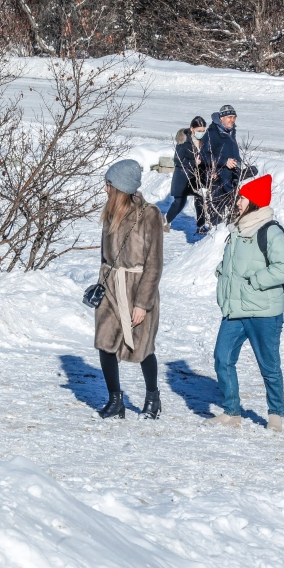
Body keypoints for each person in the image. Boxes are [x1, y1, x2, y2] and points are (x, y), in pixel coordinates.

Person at [210, 174, 284, 432]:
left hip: (264, 311)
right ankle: (232, 412)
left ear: (254, 202)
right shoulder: (238, 229)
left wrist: (256, 280)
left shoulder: (270, 231)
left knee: (269, 365)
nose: (238, 202)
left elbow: (283, 269)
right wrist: (222, 272)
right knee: (222, 358)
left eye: (243, 198)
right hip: (236, 309)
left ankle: (275, 414)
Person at [93, 159, 165, 420]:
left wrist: (142, 303)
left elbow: (154, 264)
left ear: (120, 187)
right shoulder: (110, 213)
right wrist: (100, 286)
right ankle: (115, 401)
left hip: (137, 288)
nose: (105, 189)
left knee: (143, 348)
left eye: (109, 184)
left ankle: (153, 397)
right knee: (105, 343)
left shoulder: (150, 215)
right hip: (111, 287)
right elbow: (105, 257)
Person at [199, 104, 242, 226]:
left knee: (237, 209)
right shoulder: (212, 133)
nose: (232, 120)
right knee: (217, 212)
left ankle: (232, 236)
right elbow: (204, 156)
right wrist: (224, 161)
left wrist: (238, 163)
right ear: (221, 118)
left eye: (234, 117)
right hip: (216, 179)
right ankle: (214, 239)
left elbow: (233, 153)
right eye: (229, 117)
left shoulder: (231, 131)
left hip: (231, 178)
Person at [165, 116, 208, 232]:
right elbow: (177, 160)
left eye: (203, 130)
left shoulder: (205, 141)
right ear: (192, 129)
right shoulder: (184, 141)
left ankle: (201, 226)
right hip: (183, 176)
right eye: (199, 131)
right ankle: (165, 221)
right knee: (179, 202)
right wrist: (194, 162)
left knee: (200, 200)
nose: (202, 133)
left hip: (198, 176)